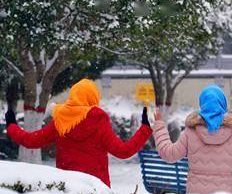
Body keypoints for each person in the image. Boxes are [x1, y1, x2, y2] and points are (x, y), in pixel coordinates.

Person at [4, 78, 152, 187]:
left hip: (69, 187)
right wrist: (144, 129)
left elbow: (31, 140)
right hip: (96, 188)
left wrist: (11, 126)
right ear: (93, 97)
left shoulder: (60, 120)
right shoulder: (99, 121)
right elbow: (123, 151)